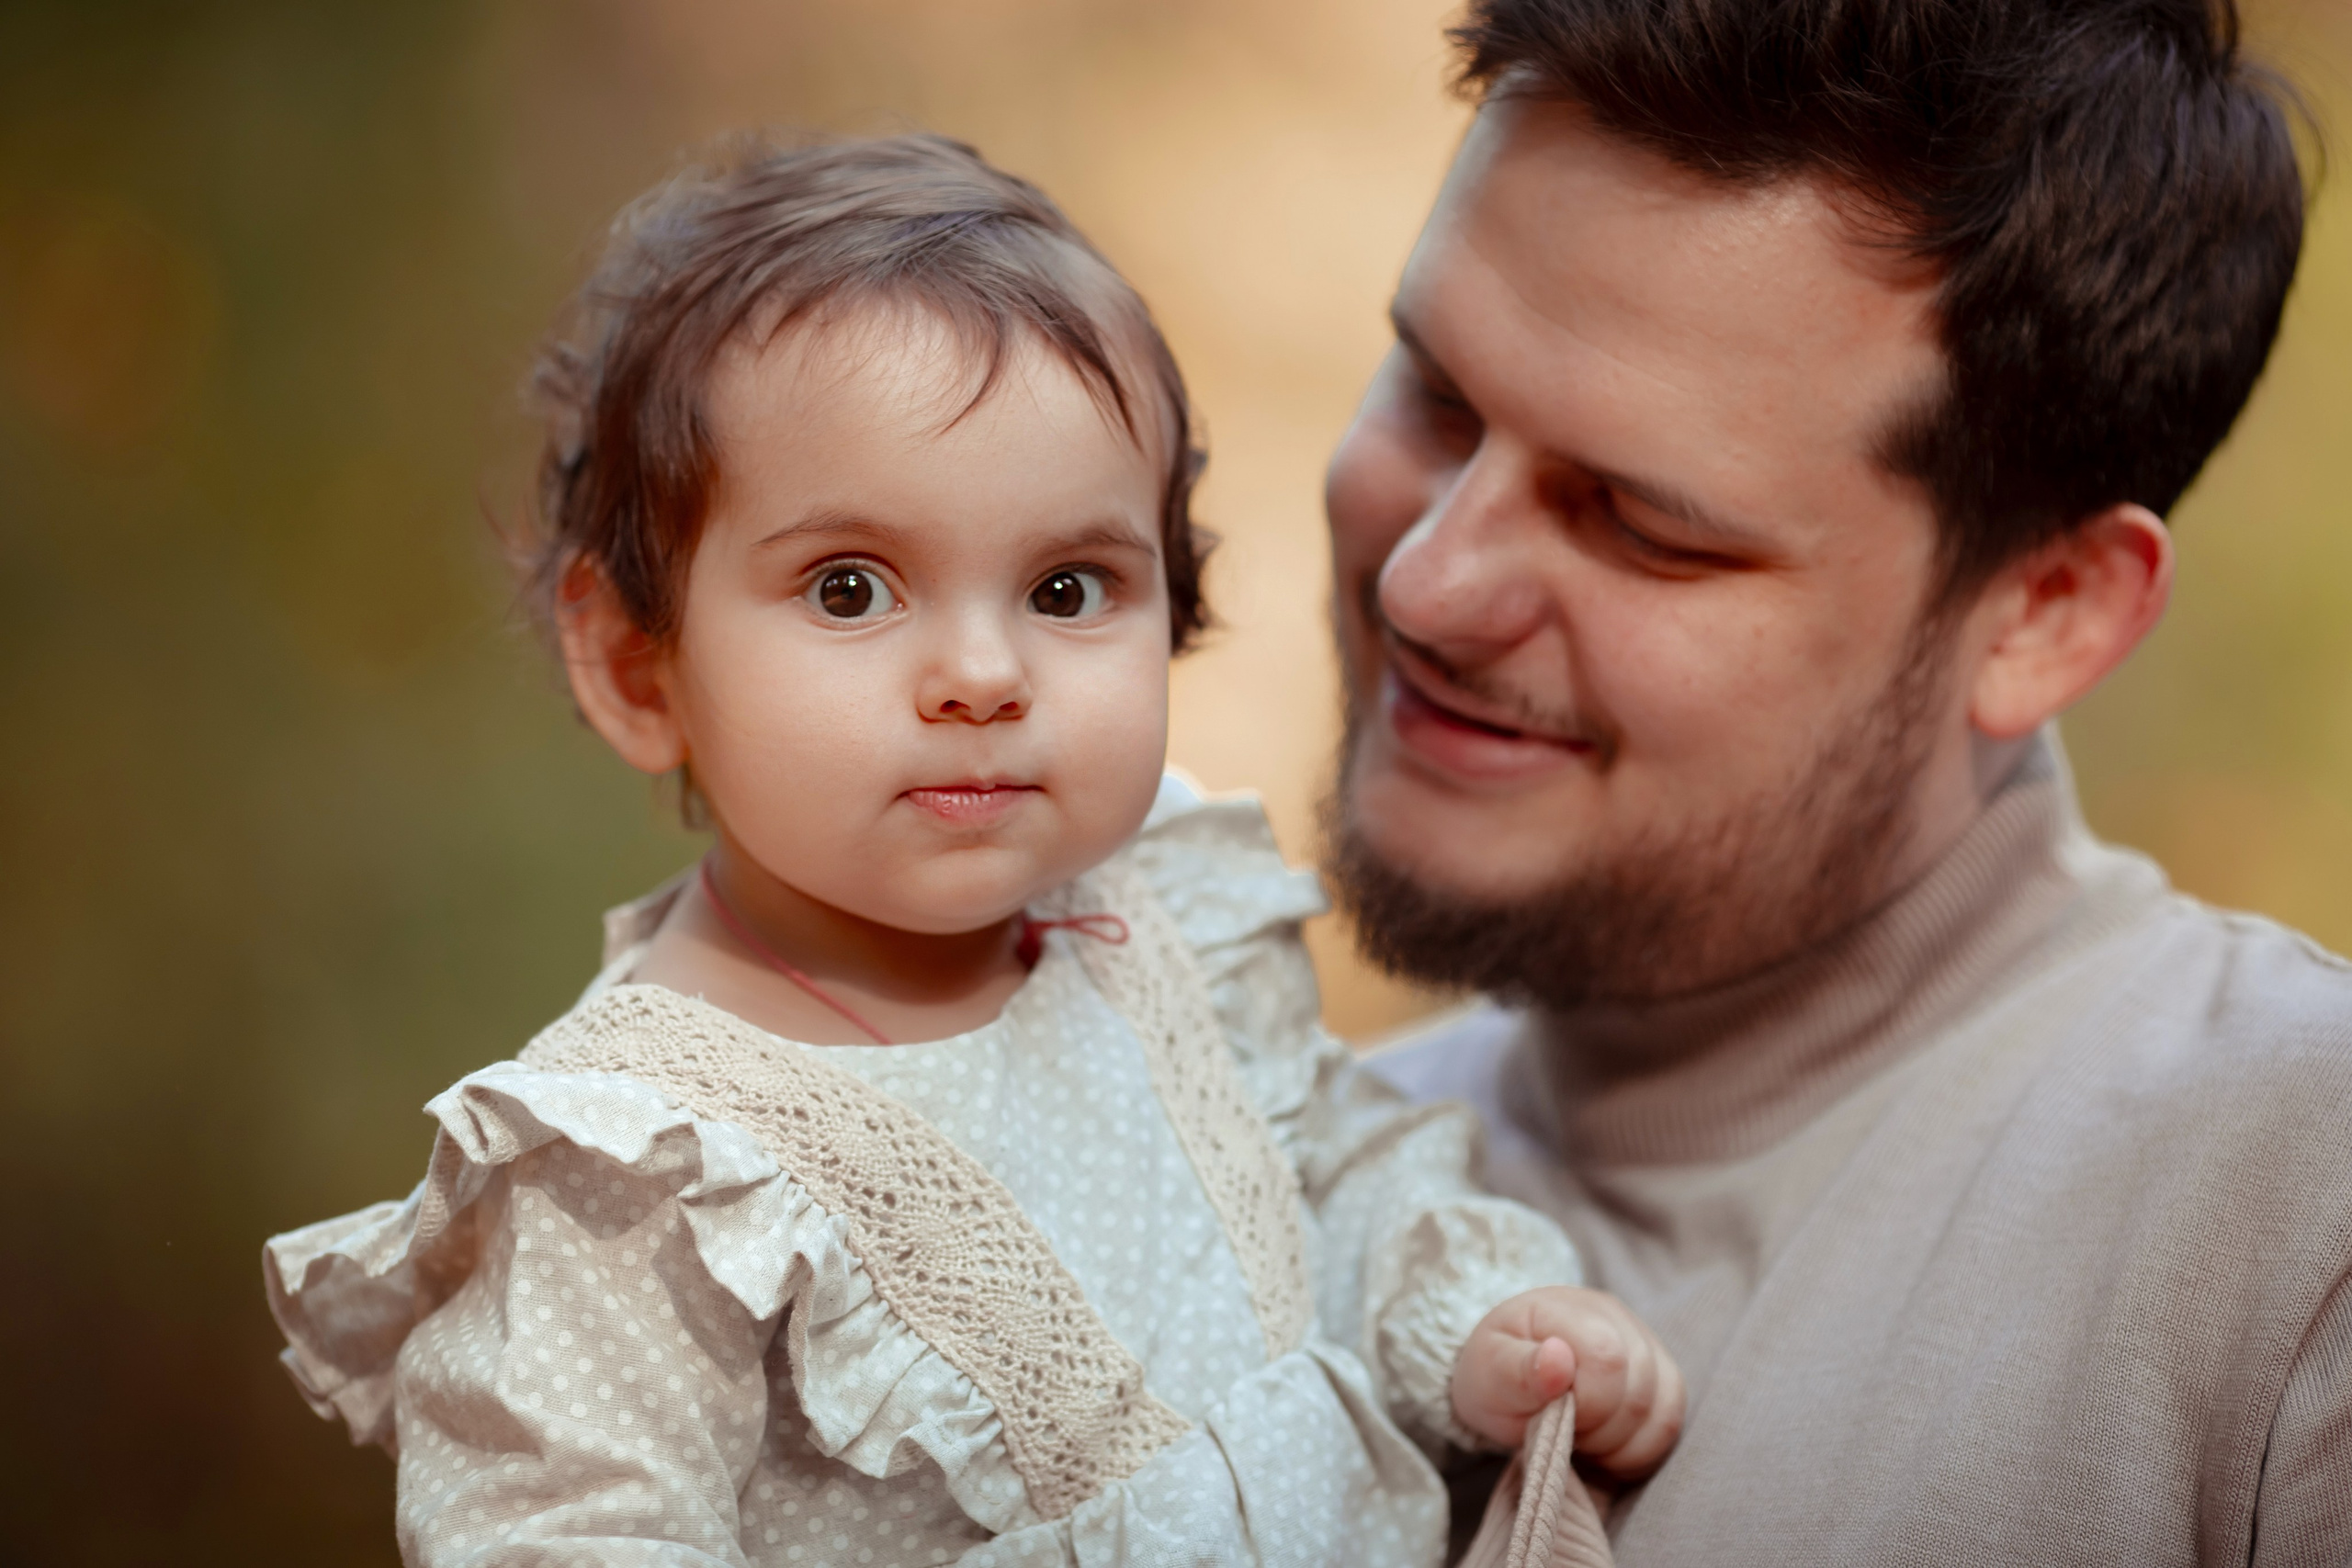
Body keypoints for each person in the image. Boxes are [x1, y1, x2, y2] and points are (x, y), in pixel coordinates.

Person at [261, 134, 1682, 1567]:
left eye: (1068, 587)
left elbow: (1335, 1173)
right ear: (639, 666)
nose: (984, 674)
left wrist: (1476, 1324)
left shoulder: (1156, 926)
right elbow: (562, 1532)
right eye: (851, 587)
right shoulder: (643, 1168)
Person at [1335, 0, 2347, 1562]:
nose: (1426, 583)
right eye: (1436, 399)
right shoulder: (1256, 1165)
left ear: (2046, 612)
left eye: (1641, 522)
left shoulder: (2298, 1228)